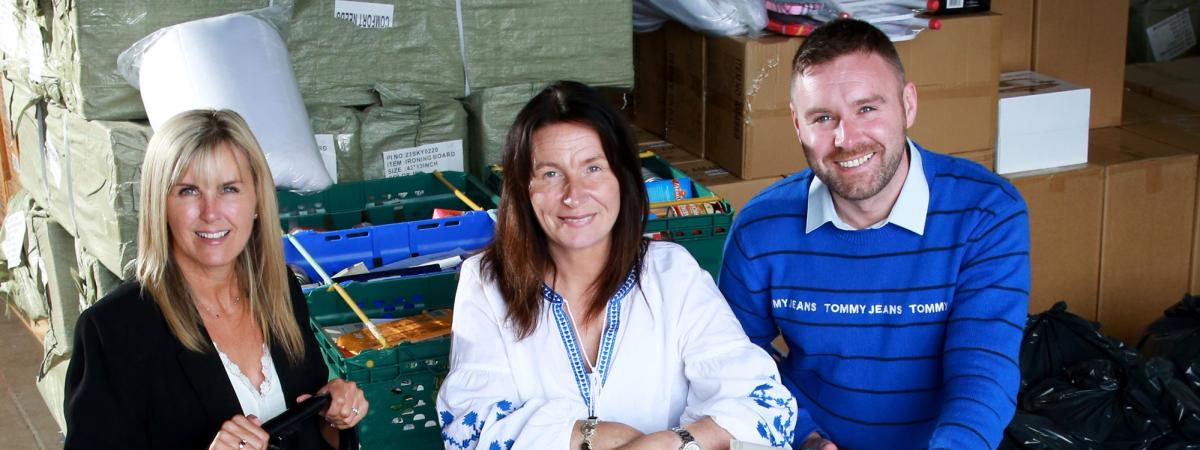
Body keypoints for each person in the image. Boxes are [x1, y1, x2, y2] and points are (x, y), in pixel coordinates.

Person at [719, 19, 1030, 450]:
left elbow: (983, 369)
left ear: (908, 104)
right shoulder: (760, 228)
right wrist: (802, 434)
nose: (847, 139)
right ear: (796, 123)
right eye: (823, 117)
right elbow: (733, 361)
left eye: (867, 108)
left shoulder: (986, 211)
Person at [437, 81, 797, 450]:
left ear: (622, 180)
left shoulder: (671, 273)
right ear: (522, 189)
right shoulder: (486, 281)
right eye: (550, 174)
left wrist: (669, 442)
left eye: (593, 168)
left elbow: (763, 404)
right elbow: (469, 428)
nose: (574, 195)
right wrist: (591, 434)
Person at [64, 109, 368, 450]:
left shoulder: (279, 290)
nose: (211, 213)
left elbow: (309, 433)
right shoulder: (113, 332)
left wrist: (332, 412)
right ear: (159, 204)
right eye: (189, 191)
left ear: (256, 200)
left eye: (229, 189)